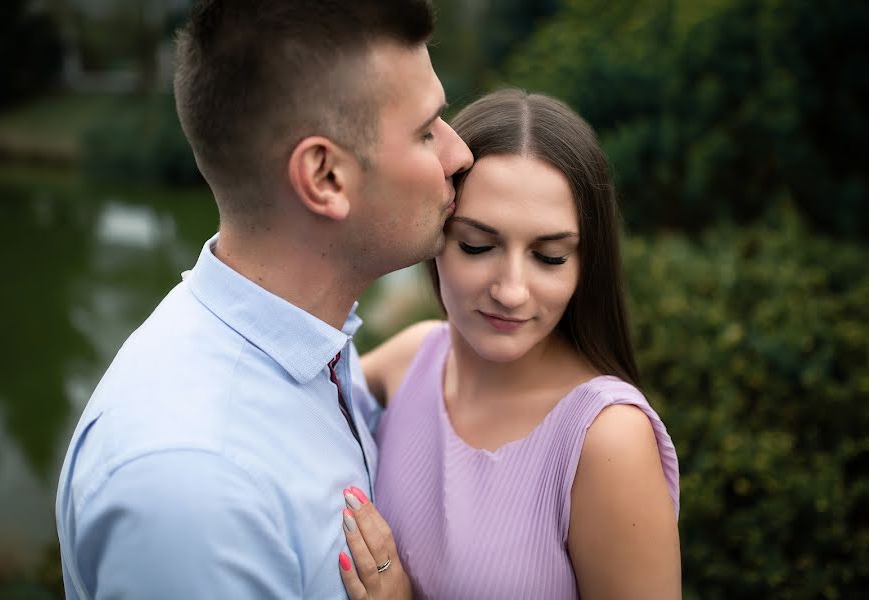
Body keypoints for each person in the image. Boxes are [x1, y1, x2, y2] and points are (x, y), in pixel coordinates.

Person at [54, 0, 472, 597]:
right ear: (325, 178)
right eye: (427, 131)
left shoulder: (307, 341)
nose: (460, 154)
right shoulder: (197, 486)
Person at [338, 89, 681, 599]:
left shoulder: (607, 440)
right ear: (435, 234)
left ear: (588, 265)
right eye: (477, 245)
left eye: (550, 257)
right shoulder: (414, 357)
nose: (511, 291)